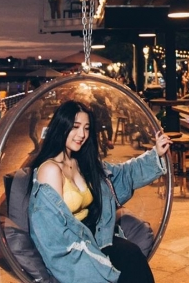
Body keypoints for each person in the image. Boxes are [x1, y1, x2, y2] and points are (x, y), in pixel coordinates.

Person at [28, 100, 171, 283]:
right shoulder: (50, 170)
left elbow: (122, 175)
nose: (82, 134)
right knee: (126, 262)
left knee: (132, 255)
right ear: (61, 126)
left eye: (86, 128)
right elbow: (52, 231)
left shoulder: (81, 162)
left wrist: (156, 153)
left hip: (97, 237)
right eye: (75, 127)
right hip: (71, 249)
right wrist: (94, 258)